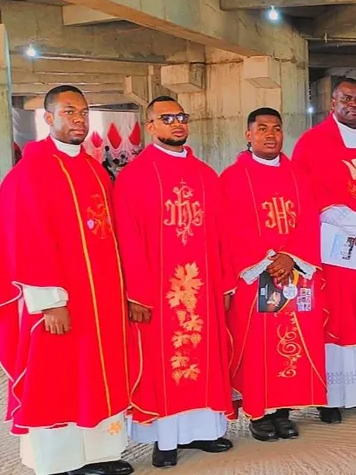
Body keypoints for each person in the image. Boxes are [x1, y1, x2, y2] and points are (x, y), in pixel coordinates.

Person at [0, 86, 133, 475]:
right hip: (60, 300)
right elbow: (27, 239)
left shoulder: (93, 169)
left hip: (100, 297)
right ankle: (61, 460)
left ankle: (99, 454)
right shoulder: (32, 172)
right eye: (69, 112)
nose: (79, 120)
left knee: (96, 372)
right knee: (59, 377)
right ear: (48, 118)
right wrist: (50, 301)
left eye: (84, 112)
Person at [113, 96, 233, 467]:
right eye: (166, 118)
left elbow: (223, 234)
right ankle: (165, 441)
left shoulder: (206, 175)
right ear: (150, 126)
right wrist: (136, 293)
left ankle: (204, 431)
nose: (177, 123)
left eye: (181, 117)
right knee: (162, 365)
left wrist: (225, 283)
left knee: (206, 357)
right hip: (158, 290)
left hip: (202, 287)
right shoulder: (134, 176)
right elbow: (127, 238)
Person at [292, 78, 356, 424]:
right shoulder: (312, 143)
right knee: (338, 318)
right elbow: (309, 194)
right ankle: (331, 397)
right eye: (346, 98)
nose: (354, 104)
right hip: (336, 250)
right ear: (332, 103)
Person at [220, 107, 327, 441]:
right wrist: (267, 260)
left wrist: (289, 256)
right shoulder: (233, 177)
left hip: (294, 271)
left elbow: (309, 220)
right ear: (248, 135)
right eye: (262, 128)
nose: (270, 135)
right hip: (256, 275)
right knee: (257, 347)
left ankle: (283, 412)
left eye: (276, 128)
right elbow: (230, 228)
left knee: (292, 341)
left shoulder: (299, 175)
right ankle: (258, 413)